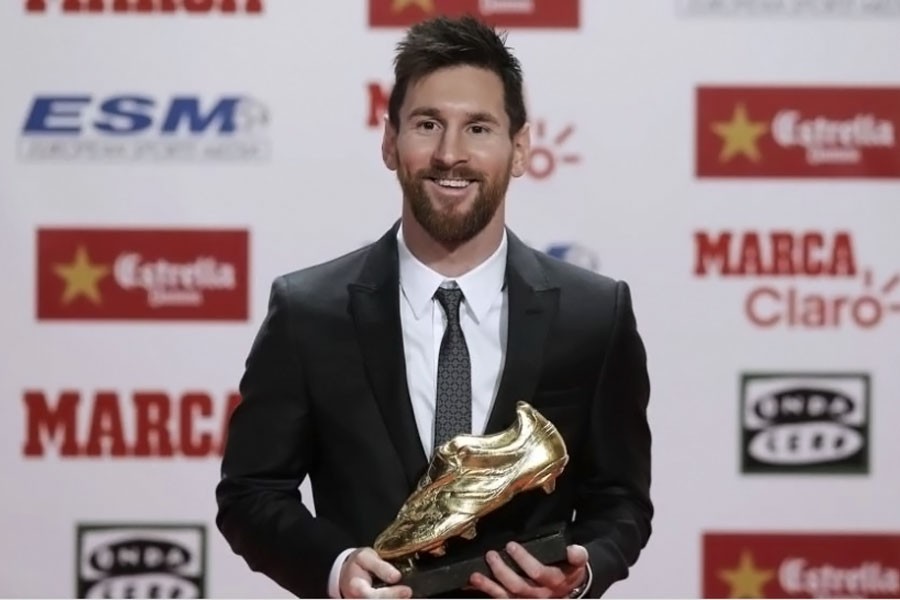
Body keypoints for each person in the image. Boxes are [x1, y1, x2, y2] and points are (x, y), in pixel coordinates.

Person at [216, 15, 653, 599]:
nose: (451, 154)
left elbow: (620, 499)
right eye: (427, 124)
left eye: (478, 128)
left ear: (519, 148)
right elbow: (250, 493)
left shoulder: (594, 314)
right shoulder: (309, 313)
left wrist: (580, 572)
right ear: (390, 142)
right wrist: (337, 567)